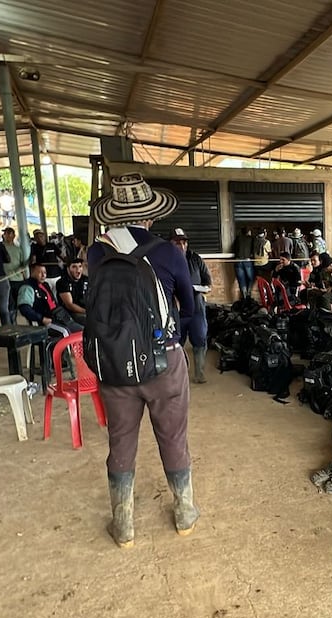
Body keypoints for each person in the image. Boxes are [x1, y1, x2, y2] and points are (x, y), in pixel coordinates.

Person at [88, 173, 197, 547]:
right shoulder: (169, 252)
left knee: (120, 441)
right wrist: (177, 340)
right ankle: (184, 512)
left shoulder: (96, 252)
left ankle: (124, 525)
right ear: (150, 215)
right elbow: (191, 305)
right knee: (173, 435)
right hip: (163, 360)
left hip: (114, 364)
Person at [172, 229, 211, 384]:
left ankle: (199, 373)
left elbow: (208, 284)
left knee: (200, 338)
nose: (182, 246)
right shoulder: (167, 260)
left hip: (196, 306)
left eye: (184, 242)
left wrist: (195, 288)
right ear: (171, 243)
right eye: (177, 243)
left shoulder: (195, 258)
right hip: (176, 308)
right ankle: (178, 375)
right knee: (176, 341)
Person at [17, 263, 81, 335]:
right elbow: (25, 309)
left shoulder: (45, 284)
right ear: (32, 272)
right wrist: (41, 318)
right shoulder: (27, 287)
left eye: (45, 272)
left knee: (81, 330)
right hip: (46, 321)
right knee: (65, 332)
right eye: (40, 272)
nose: (43, 275)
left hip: (59, 316)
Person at [55, 257, 90, 325]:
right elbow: (70, 305)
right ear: (68, 268)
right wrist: (86, 311)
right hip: (72, 313)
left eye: (80, 266)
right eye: (74, 267)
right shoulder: (62, 282)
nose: (78, 270)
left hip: (87, 310)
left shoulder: (86, 279)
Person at [233, 227, 256, 299]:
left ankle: (244, 296)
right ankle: (248, 294)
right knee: (251, 278)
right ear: (248, 232)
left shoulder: (238, 238)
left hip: (237, 261)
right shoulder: (251, 238)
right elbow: (253, 250)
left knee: (241, 280)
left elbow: (234, 248)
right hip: (247, 260)